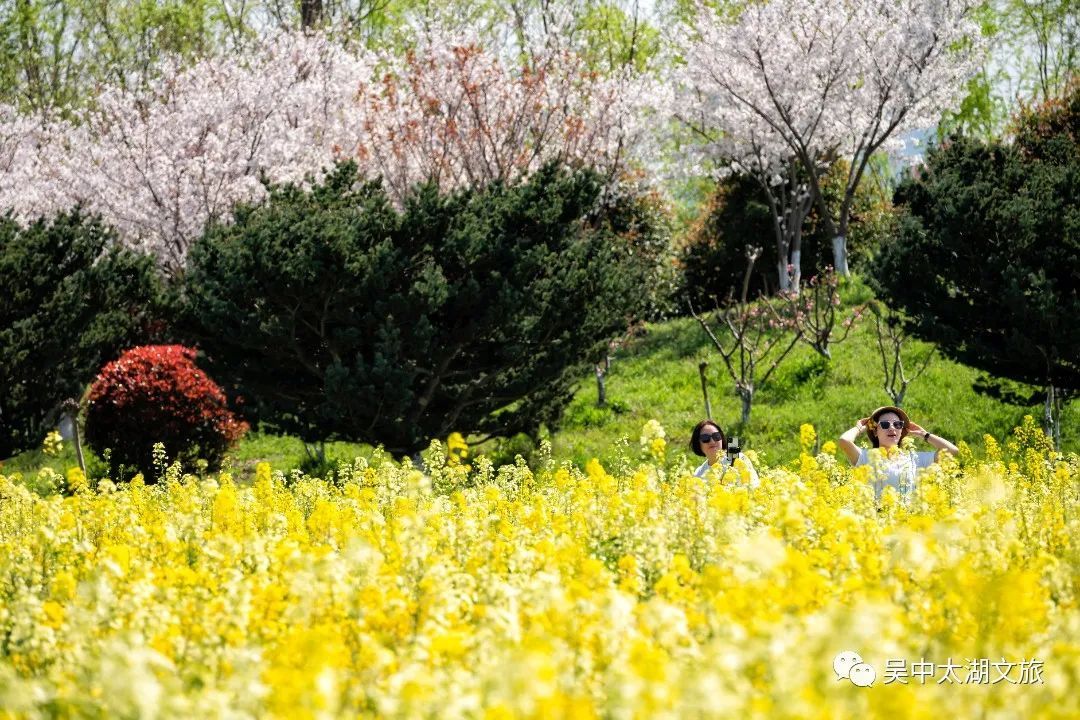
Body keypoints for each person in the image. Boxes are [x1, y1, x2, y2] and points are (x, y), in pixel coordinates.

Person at [838, 406, 959, 501]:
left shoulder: (914, 459)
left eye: (897, 424)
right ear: (875, 432)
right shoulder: (865, 457)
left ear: (901, 431)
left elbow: (952, 451)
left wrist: (924, 434)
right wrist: (859, 428)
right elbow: (844, 441)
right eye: (885, 425)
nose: (892, 428)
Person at [689, 419, 759, 485]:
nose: (712, 441)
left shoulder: (736, 456)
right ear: (698, 443)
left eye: (716, 436)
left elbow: (753, 487)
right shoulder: (698, 473)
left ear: (721, 439)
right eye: (705, 438)